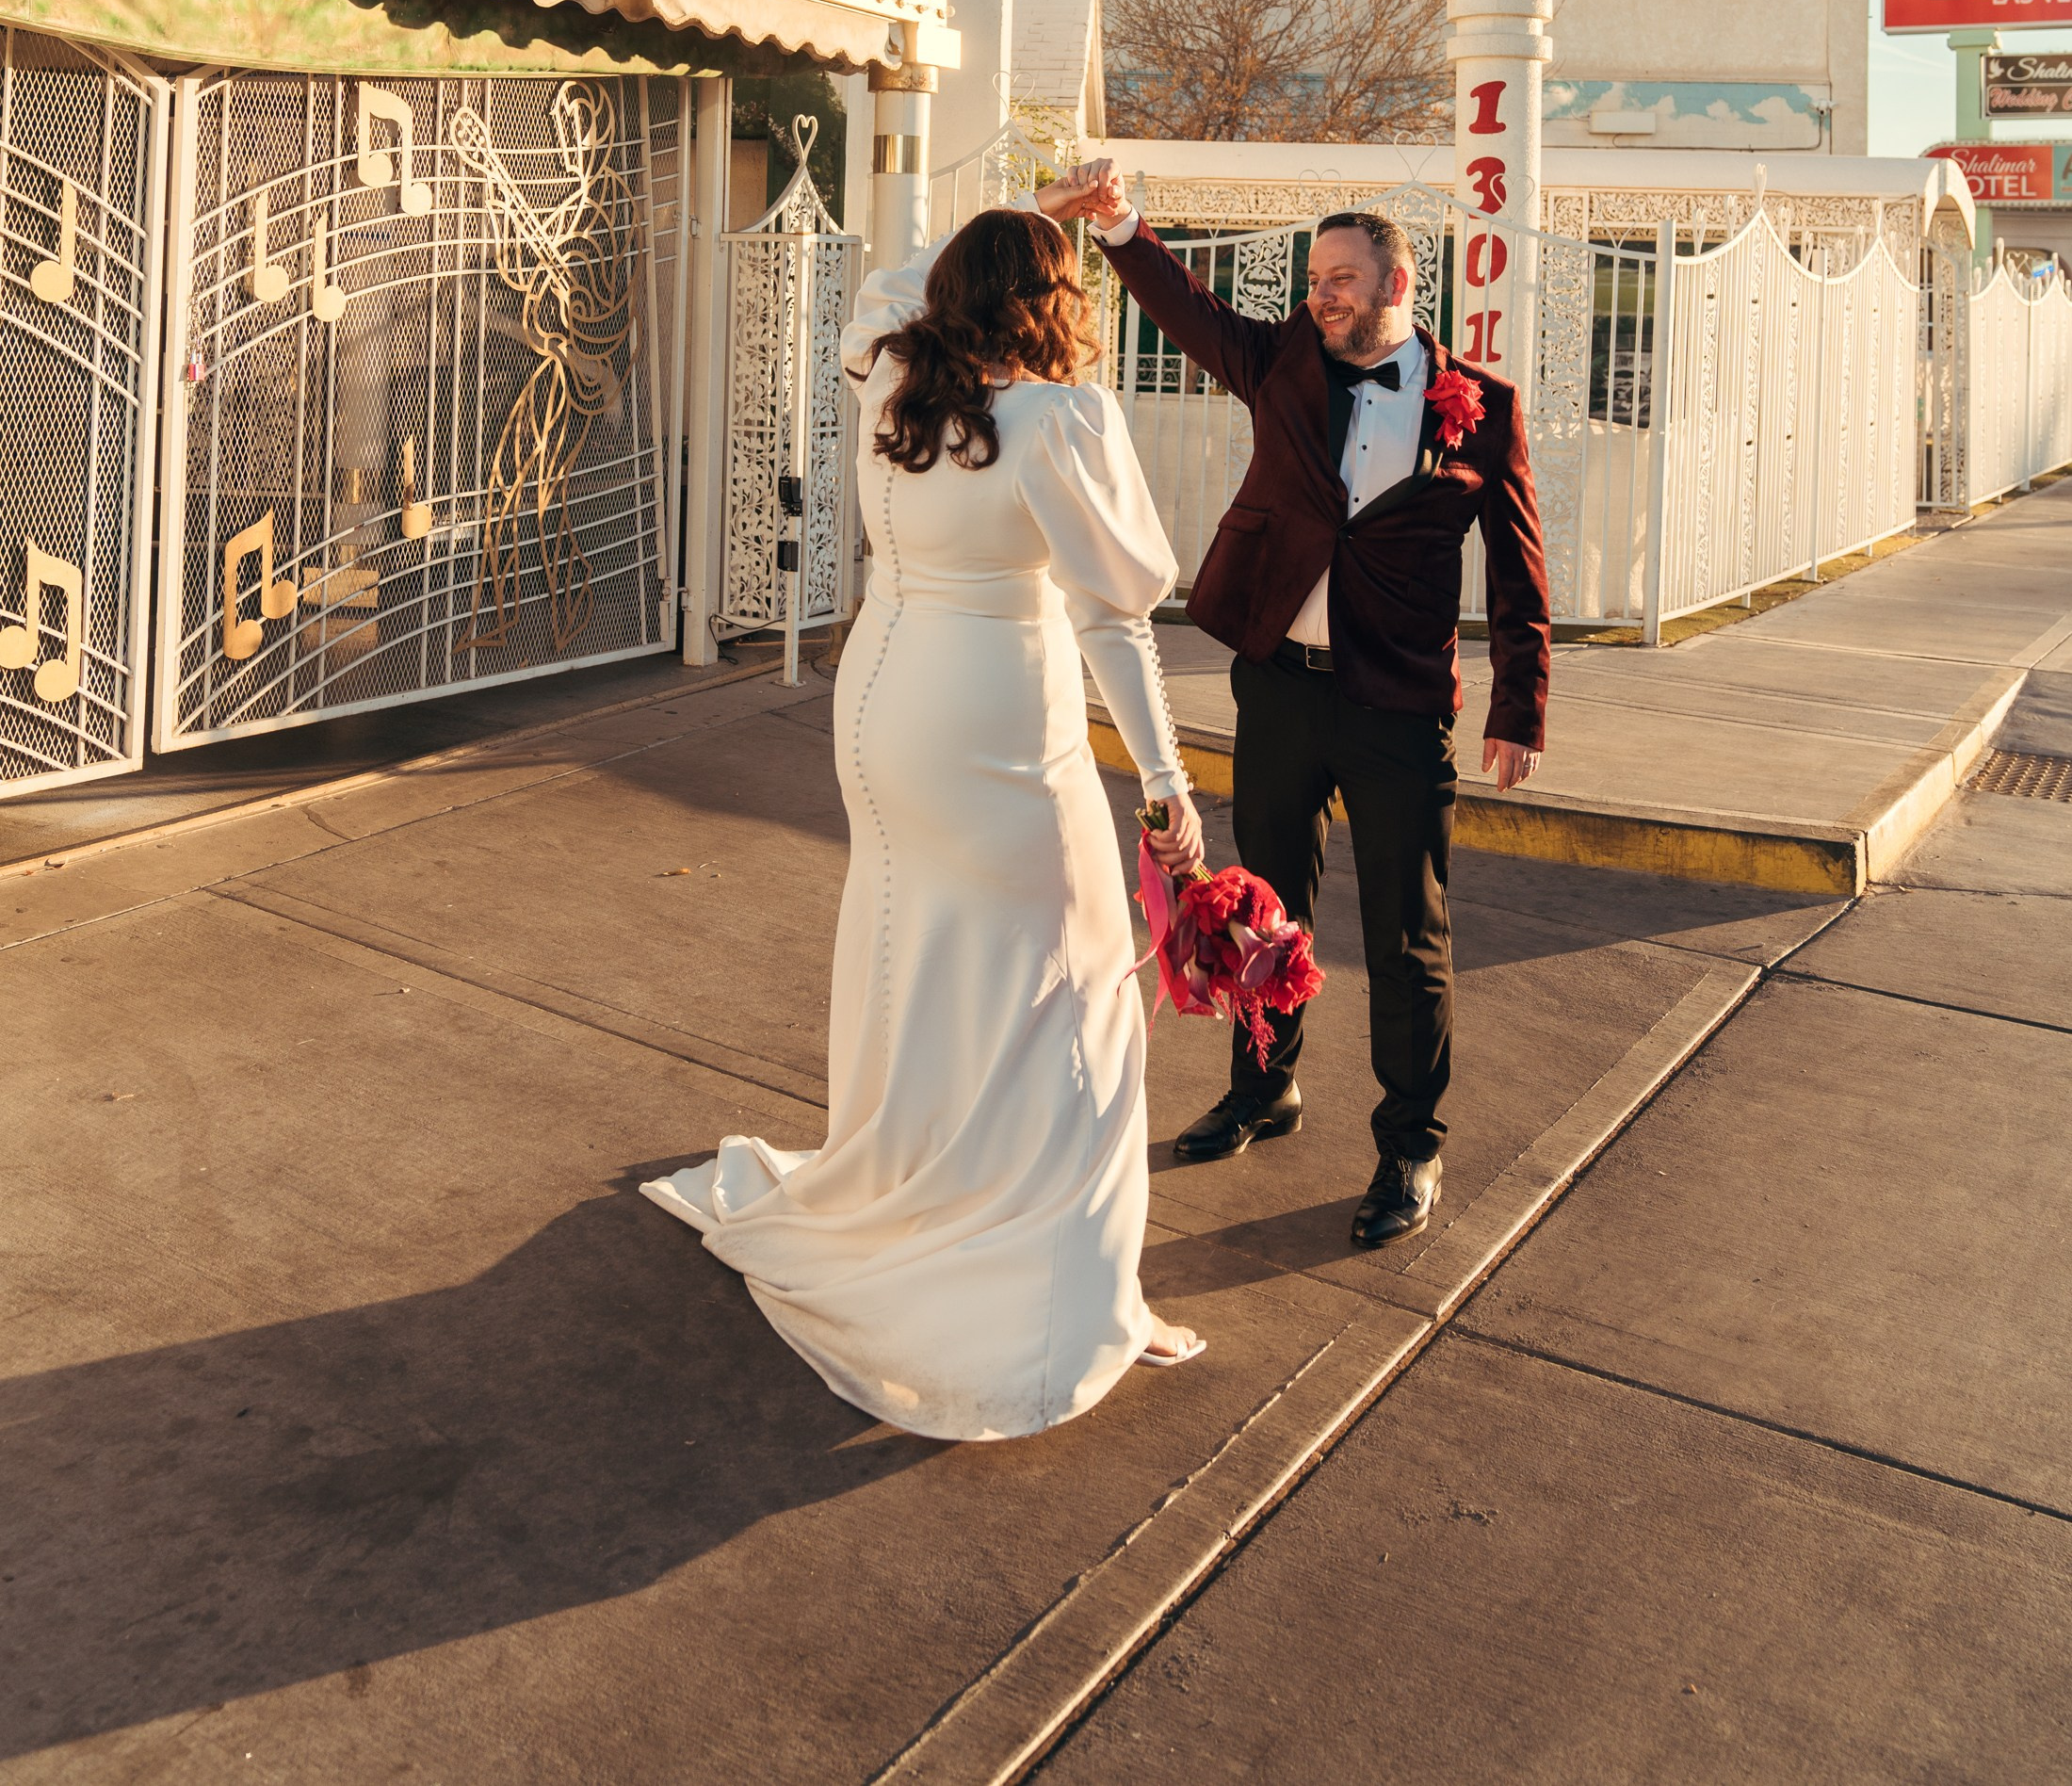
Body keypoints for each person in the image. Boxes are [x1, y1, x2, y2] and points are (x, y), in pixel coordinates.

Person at [641, 205, 1208, 1442]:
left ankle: (909, 1174)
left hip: (882, 707)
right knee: (1078, 997)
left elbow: (893, 285)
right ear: (1055, 298)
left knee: (921, 948)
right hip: (996, 722)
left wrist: (1005, 235)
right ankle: (1075, 1299)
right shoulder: (1060, 419)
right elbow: (1114, 616)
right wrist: (1165, 782)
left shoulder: (893, 376)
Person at [1037, 166, 1550, 1251]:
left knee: (1407, 938)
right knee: (1262, 911)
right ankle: (1263, 1088)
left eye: (1341, 279)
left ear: (1396, 284)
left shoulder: (1482, 408)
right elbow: (1190, 312)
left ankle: (1409, 1145)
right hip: (1277, 686)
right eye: (1315, 278)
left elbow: (1517, 565)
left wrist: (1519, 703)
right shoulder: (1281, 362)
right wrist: (1122, 227)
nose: (1320, 295)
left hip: (1399, 705)